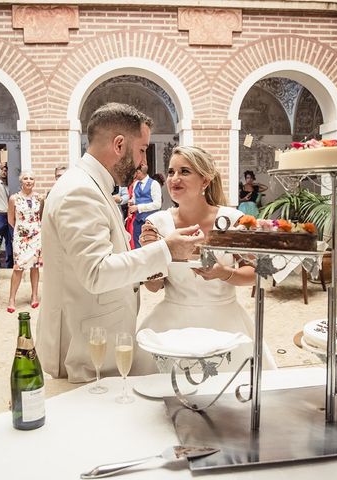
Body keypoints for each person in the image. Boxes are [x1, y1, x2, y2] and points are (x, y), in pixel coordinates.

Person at [35, 102, 203, 383]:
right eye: (141, 150)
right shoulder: (80, 191)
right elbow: (97, 273)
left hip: (97, 337)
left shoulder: (93, 184)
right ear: (119, 144)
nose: (143, 162)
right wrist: (166, 250)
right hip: (85, 347)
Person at [134, 146, 277, 374]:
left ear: (205, 181)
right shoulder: (157, 222)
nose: (174, 179)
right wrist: (152, 255)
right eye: (171, 172)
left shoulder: (233, 219)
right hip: (171, 325)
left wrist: (223, 273)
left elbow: (258, 273)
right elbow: (153, 287)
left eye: (185, 172)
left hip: (226, 323)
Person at [7, 171, 43, 313]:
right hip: (21, 237)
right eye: (26, 178)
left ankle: (34, 296)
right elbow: (10, 219)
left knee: (35, 266)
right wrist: (21, 230)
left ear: (34, 181)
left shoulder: (39, 198)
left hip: (36, 236)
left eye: (31, 178)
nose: (28, 181)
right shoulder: (14, 198)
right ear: (21, 181)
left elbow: (42, 216)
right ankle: (11, 299)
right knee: (18, 267)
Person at [128, 163, 162, 248]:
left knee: (150, 246)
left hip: (150, 221)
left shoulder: (154, 184)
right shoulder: (136, 184)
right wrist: (132, 201)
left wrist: (138, 207)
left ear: (139, 172)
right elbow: (135, 198)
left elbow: (157, 204)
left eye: (135, 172)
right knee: (137, 244)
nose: (134, 175)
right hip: (138, 220)